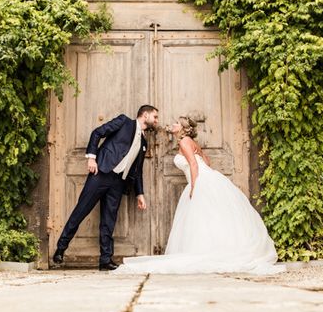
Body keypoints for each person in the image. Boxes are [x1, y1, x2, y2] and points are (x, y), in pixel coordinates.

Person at [116, 116, 283, 275]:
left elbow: (194, 164)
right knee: (210, 218)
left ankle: (209, 252)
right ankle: (216, 249)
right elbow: (206, 162)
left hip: (201, 181)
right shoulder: (191, 142)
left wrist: (195, 186)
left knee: (202, 217)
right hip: (208, 178)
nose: (173, 125)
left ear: (182, 128)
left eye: (176, 123)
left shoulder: (183, 142)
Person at [52, 105, 159, 270]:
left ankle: (105, 260)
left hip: (119, 182)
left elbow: (137, 171)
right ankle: (61, 248)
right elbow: (97, 132)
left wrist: (140, 194)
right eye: (155, 117)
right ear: (145, 115)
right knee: (81, 211)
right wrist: (91, 158)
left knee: (109, 221)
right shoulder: (124, 122)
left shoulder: (143, 142)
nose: (156, 120)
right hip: (101, 173)